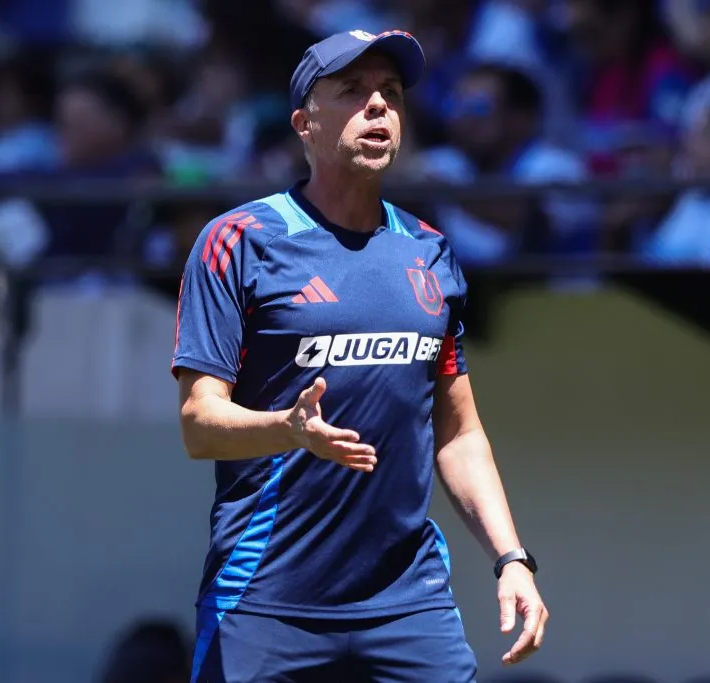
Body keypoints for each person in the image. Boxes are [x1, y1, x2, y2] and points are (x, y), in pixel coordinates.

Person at [171, 29, 548, 683]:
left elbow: (458, 433)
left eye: (391, 93)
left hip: (407, 603)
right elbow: (199, 424)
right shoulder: (235, 241)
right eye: (352, 91)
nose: (378, 107)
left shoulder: (430, 252)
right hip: (266, 600)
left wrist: (511, 557)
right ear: (303, 123)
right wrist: (286, 429)